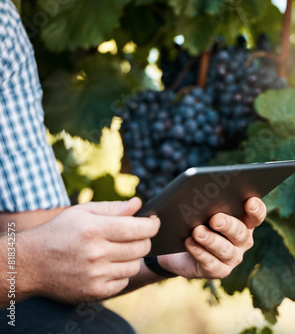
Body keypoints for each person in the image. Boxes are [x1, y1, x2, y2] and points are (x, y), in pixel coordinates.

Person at [0, 0, 266, 332]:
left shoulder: (3, 27)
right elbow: (30, 258)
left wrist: (160, 258)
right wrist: (24, 266)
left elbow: (35, 237)